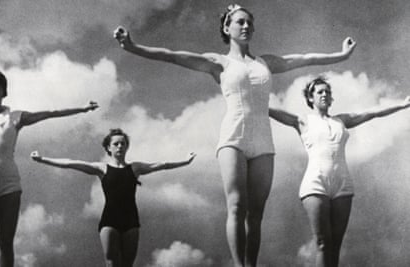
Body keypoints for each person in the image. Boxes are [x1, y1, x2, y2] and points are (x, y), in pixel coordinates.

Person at [113, 4, 356, 267]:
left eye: (249, 22)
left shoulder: (267, 62)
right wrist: (132, 47)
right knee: (237, 206)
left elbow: (305, 58)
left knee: (256, 214)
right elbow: (172, 55)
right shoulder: (218, 62)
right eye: (240, 22)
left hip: (263, 141)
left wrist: (341, 55)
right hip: (233, 138)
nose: (246, 26)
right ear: (227, 28)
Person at [269, 76, 410, 267]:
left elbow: (371, 113)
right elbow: (271, 111)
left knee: (336, 245)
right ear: (311, 98)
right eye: (320, 92)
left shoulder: (341, 120)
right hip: (315, 183)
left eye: (328, 92)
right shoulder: (302, 121)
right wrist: (244, 99)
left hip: (342, 183)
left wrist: (402, 105)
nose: (325, 94)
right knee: (322, 243)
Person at [0, 70, 99, 267]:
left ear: (4, 92)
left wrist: (81, 109)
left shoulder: (16, 117)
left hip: (10, 184)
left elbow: (50, 113)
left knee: (5, 242)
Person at [30, 128, 196, 267]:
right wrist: (41, 159)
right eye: (116, 144)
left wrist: (186, 162)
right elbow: (71, 163)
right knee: (112, 264)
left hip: (131, 220)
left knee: (127, 265)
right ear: (109, 148)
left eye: (123, 144)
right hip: (110, 220)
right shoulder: (101, 168)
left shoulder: (135, 168)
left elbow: (162, 165)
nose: (120, 146)